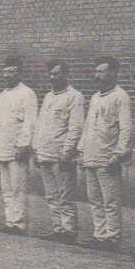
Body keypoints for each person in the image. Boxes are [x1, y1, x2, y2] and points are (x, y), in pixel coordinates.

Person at [77, 56, 132, 251]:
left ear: (113, 73)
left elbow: (126, 128)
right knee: (94, 199)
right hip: (91, 155)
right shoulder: (94, 97)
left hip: (108, 157)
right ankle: (99, 235)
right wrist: (82, 151)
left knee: (111, 200)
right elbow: (88, 127)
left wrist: (118, 154)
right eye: (96, 72)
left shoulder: (120, 97)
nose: (97, 75)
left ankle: (112, 237)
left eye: (101, 71)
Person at [34, 59, 85, 244]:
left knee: (65, 195)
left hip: (61, 155)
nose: (53, 77)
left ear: (66, 74)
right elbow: (40, 125)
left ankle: (69, 230)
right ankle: (57, 228)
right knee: (51, 195)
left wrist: (67, 152)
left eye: (57, 74)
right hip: (46, 153)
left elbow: (76, 128)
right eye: (51, 74)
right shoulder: (48, 97)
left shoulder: (75, 97)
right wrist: (37, 149)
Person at [0, 56, 38, 234]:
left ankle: (19, 222)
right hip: (3, 146)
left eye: (12, 72)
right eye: (6, 72)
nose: (7, 75)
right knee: (6, 188)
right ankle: (10, 221)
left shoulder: (27, 94)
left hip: (17, 148)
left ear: (19, 73)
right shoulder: (3, 95)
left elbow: (29, 123)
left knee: (18, 187)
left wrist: (24, 145)